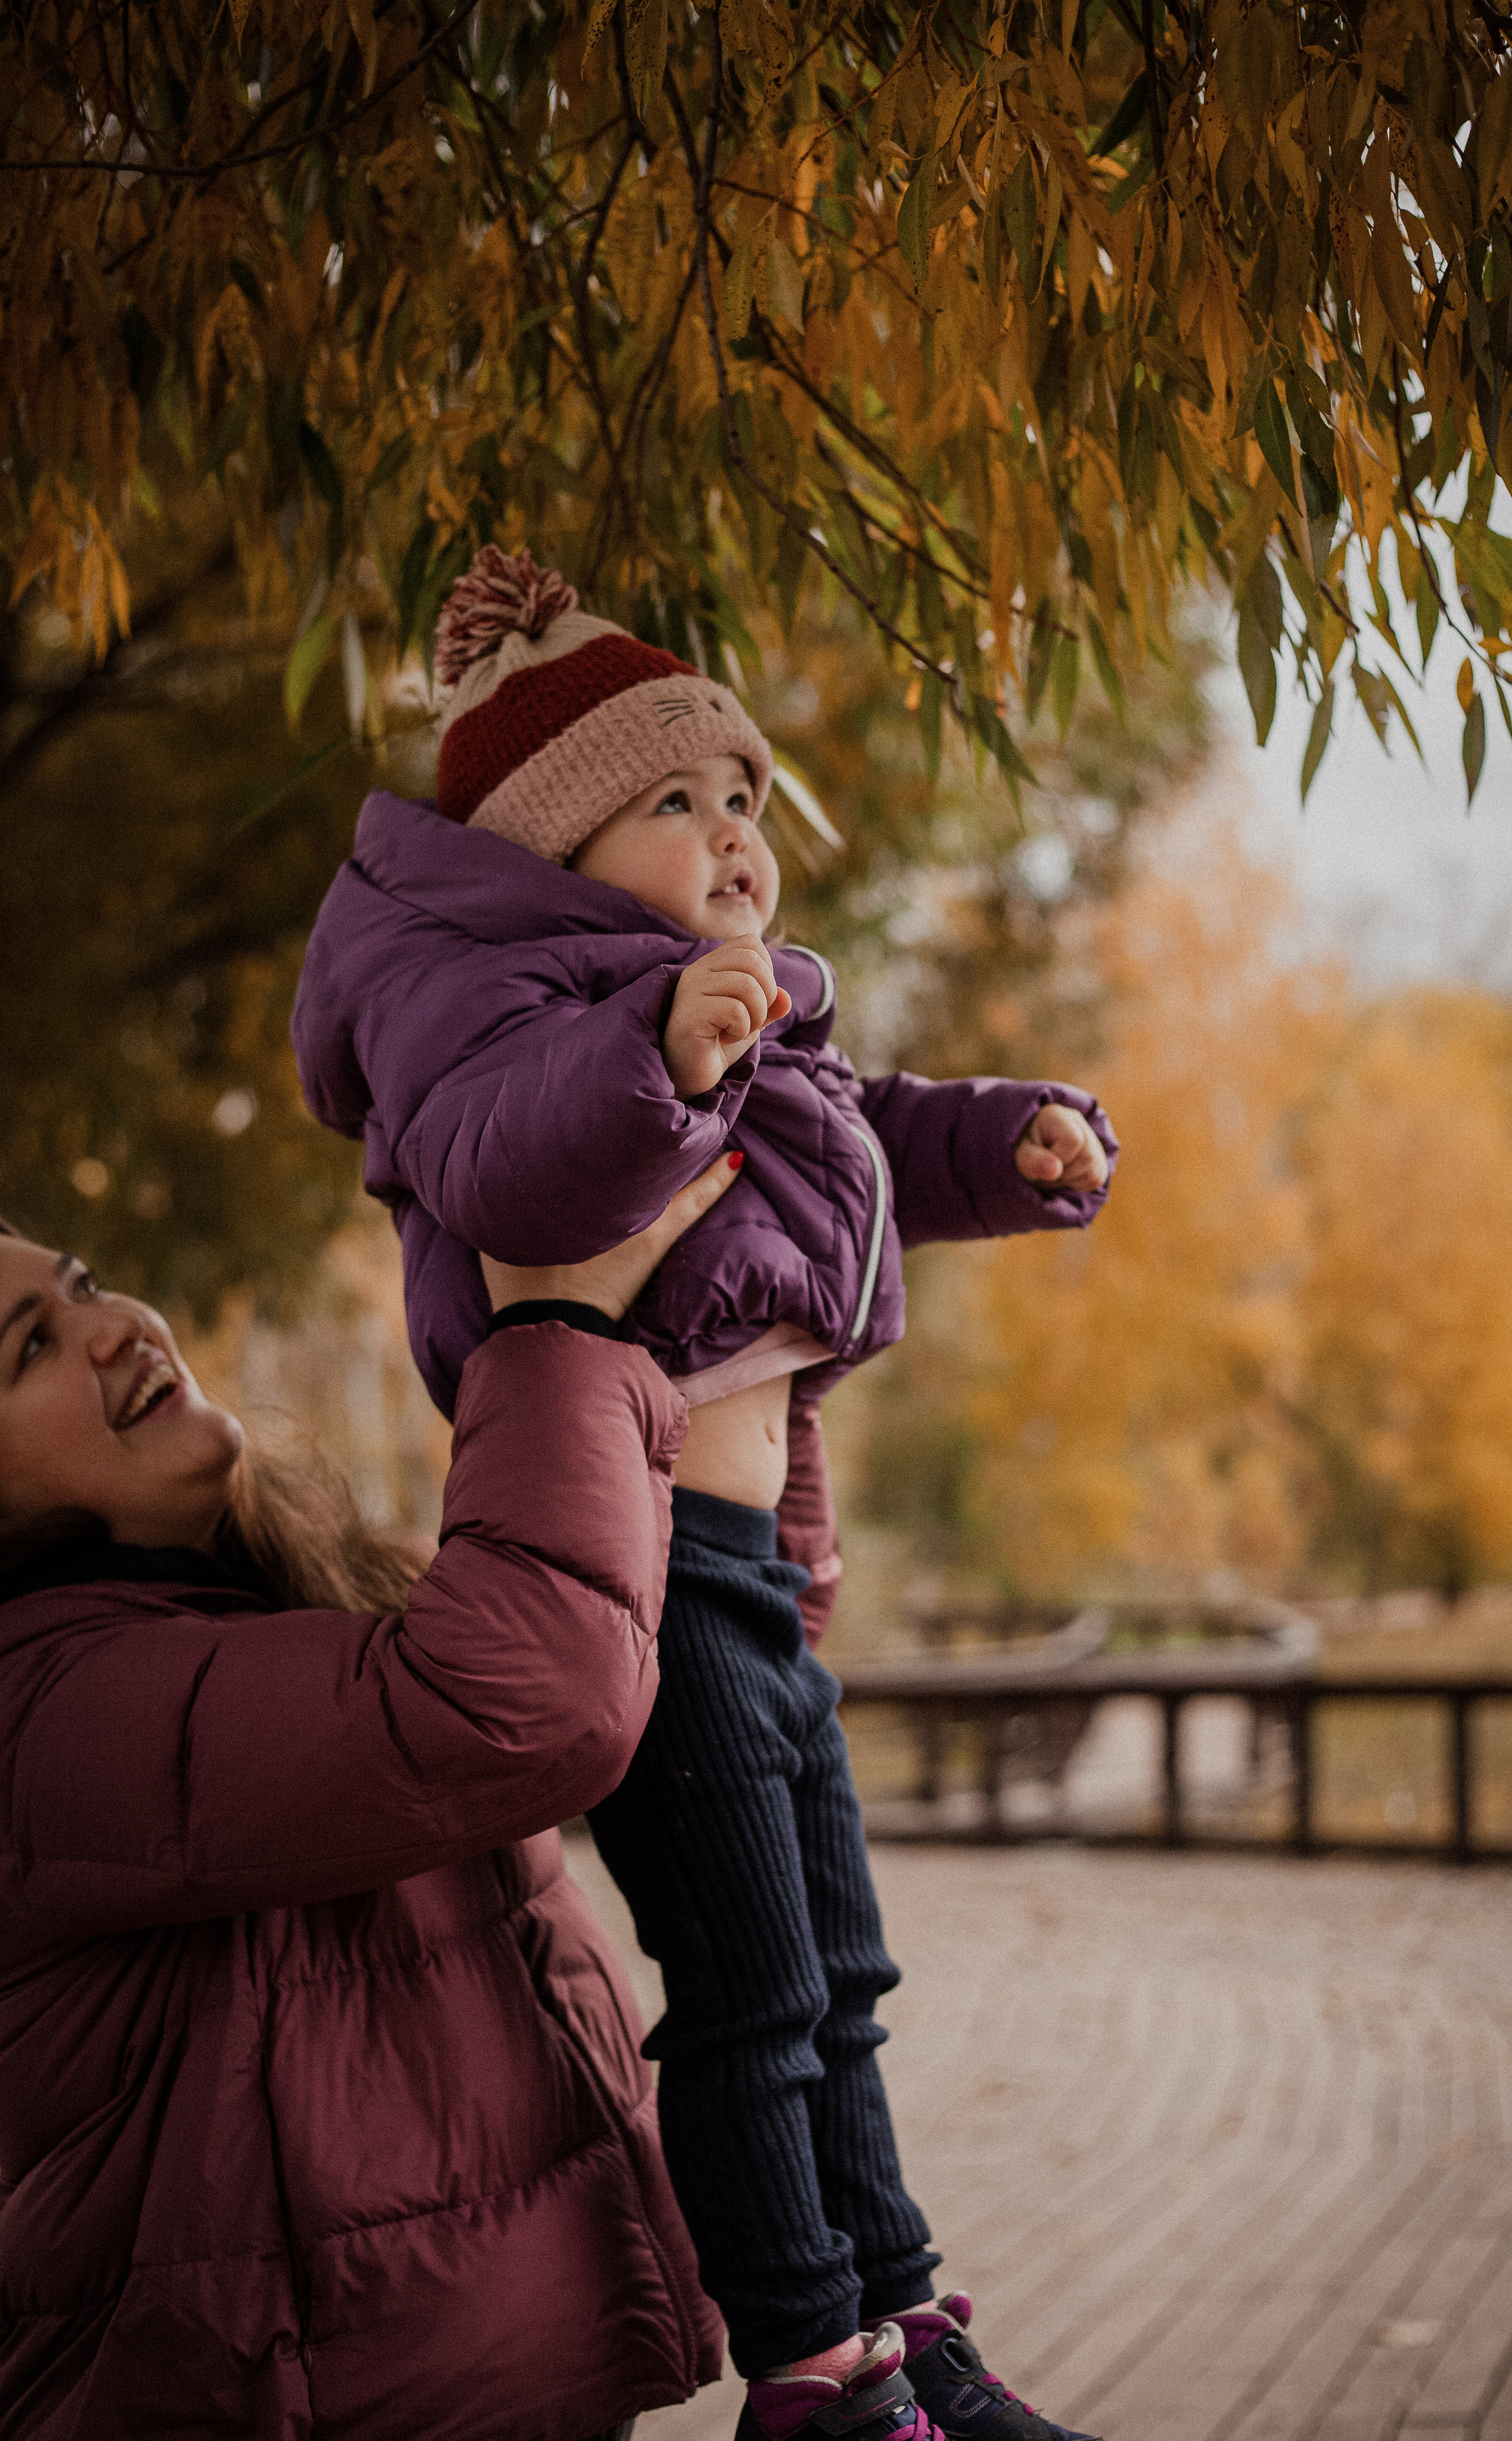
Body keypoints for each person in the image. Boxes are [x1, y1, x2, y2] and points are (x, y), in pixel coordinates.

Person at [292, 549, 1117, 2441]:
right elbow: (508, 1168)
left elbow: (873, 1131)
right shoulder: (496, 1011)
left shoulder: (727, 1010)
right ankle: (816, 2376)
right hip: (632, 1565)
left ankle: (906, 2324)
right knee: (748, 1980)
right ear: (556, 848)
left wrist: (1013, 1137)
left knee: (839, 1962)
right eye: (678, 801)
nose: (737, 836)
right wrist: (661, 1062)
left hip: (751, 1574)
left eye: (744, 797)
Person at [0, 1158, 746, 2440]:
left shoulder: (299, 1589)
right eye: (31, 1348)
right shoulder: (43, 1717)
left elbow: (647, 1649)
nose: (117, 1322)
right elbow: (529, 1699)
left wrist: (752, 1355)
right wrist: (551, 1328)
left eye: (84, 1286)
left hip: (513, 2382)